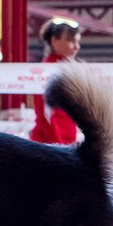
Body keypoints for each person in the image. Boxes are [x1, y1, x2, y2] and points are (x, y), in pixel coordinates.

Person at [29, 17, 82, 145]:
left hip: (62, 144)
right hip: (51, 144)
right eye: (71, 41)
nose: (76, 47)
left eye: (78, 41)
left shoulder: (67, 69)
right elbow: (46, 114)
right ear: (54, 41)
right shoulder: (47, 71)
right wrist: (58, 145)